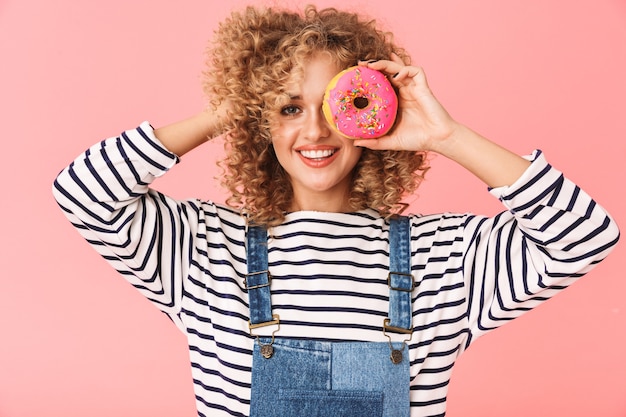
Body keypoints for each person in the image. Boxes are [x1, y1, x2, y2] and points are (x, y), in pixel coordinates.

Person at [52, 5, 619, 417]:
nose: (316, 129)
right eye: (289, 107)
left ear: (375, 113)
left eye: (333, 103)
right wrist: (232, 108)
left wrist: (445, 135)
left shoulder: (445, 257)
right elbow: (82, 191)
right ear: (259, 120)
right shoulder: (202, 249)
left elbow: (585, 236)